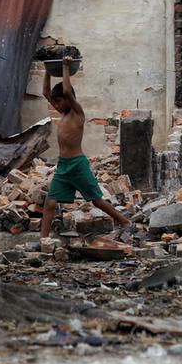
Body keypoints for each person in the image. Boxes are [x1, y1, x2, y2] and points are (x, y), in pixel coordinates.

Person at [40, 57, 130, 238]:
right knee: (50, 202)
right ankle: (43, 239)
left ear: (69, 99)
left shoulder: (77, 112)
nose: (56, 105)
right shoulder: (63, 112)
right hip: (63, 166)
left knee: (95, 200)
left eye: (59, 101)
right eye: (55, 102)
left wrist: (65, 66)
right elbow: (45, 92)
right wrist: (47, 71)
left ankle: (123, 220)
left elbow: (66, 90)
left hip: (78, 164)